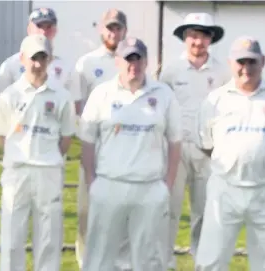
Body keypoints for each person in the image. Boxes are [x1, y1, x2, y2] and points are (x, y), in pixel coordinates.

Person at [194, 36, 265, 271]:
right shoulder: (215, 100)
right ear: (231, 63)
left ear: (262, 62)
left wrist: (262, 158)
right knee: (210, 261)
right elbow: (206, 144)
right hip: (225, 190)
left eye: (252, 62)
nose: (246, 68)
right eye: (241, 62)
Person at [79, 37, 182, 271]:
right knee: (100, 256)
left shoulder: (164, 94)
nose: (133, 65)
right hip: (109, 185)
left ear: (146, 62)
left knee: (148, 259)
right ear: (117, 62)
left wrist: (167, 184)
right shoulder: (102, 93)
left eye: (138, 59)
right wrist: (92, 182)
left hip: (149, 187)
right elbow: (87, 141)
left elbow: (175, 142)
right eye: (128, 59)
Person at [0, 34, 76, 271]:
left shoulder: (61, 96)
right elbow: (1, 135)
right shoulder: (9, 95)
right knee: (11, 236)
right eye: (33, 58)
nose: (37, 64)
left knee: (49, 238)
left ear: (49, 59)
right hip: (17, 172)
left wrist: (47, 156)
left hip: (48, 171)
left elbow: (66, 138)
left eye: (42, 58)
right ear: (22, 58)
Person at [158, 13, 230, 269]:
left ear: (211, 39)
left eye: (203, 35)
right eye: (193, 35)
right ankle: (164, 263)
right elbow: (161, 110)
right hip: (176, 150)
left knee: (204, 211)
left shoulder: (223, 72)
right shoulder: (171, 70)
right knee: (170, 209)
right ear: (185, 37)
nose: (198, 41)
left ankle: (203, 262)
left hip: (209, 151)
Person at [70, 8, 130, 270]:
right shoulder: (86, 63)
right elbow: (78, 106)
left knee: (122, 211)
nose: (113, 33)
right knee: (87, 210)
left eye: (117, 28)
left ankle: (120, 262)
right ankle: (86, 262)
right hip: (94, 146)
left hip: (125, 150)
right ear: (100, 29)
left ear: (125, 31)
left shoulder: (133, 60)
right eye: (109, 27)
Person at [0, 7, 83, 114]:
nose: (43, 31)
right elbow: (1, 107)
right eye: (39, 26)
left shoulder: (67, 68)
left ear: (55, 30)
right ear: (29, 29)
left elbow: (74, 106)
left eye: (48, 27)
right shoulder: (10, 65)